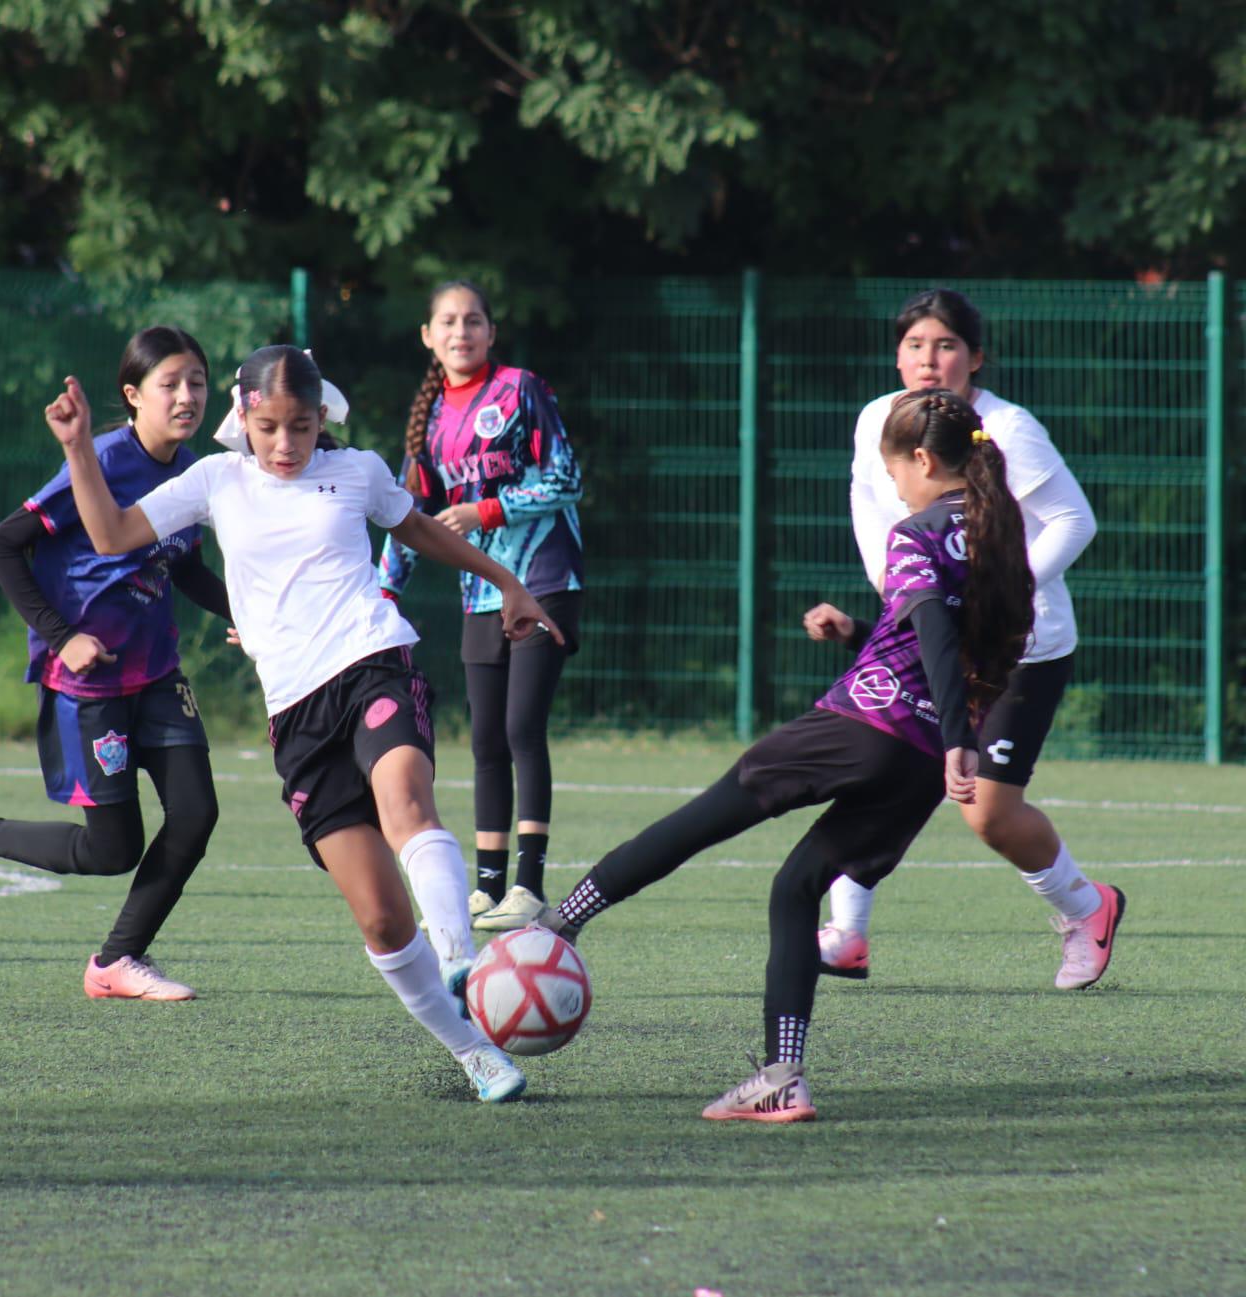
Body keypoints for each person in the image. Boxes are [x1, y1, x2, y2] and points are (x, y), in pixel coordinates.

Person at [535, 389, 1119, 1122]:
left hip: (862, 724)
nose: (893, 486)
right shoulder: (1001, 542)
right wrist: (871, 649)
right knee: (796, 885)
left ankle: (560, 922)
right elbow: (949, 645)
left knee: (700, 820)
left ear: (922, 459)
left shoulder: (917, 531)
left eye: (892, 469)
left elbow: (934, 633)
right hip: (915, 765)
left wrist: (956, 736)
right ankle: (782, 1075)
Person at [45, 343, 562, 1102]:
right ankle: (474, 1051)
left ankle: (463, 956)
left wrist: (505, 580)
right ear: (243, 415)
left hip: (374, 662)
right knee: (384, 920)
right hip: (297, 715)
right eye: (270, 427)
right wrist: (77, 447)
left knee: (406, 801)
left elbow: (417, 528)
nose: (286, 445)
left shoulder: (357, 471)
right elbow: (113, 534)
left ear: (324, 418)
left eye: (302, 426)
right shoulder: (215, 480)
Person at [819, 288, 1122, 991]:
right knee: (872, 762)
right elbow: (875, 520)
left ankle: (1088, 909)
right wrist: (906, 603)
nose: (930, 359)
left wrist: (994, 599)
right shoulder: (876, 421)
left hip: (1020, 644)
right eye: (917, 345)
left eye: (947, 345)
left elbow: (1075, 523)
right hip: (924, 635)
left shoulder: (1010, 431)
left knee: (987, 811)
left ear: (975, 358)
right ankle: (848, 933)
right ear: (897, 354)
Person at [0, 326, 227, 1001]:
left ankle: (118, 960)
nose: (187, 396)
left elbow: (184, 565)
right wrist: (60, 634)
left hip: (157, 675)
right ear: (132, 395)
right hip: (91, 683)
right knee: (113, 850)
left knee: (195, 814)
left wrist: (251, 615)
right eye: (171, 384)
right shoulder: (98, 463)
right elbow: (0, 545)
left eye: (198, 383)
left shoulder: (193, 471)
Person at [378, 281, 584, 932]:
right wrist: (382, 593)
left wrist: (486, 509)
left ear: (491, 333)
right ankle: (488, 887)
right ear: (427, 337)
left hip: (545, 576)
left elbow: (566, 478)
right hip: (478, 590)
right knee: (486, 739)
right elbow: (408, 518)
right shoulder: (431, 416)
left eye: (473, 321)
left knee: (523, 728)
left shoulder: (521, 389)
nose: (461, 331)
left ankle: (529, 885)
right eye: (448, 321)